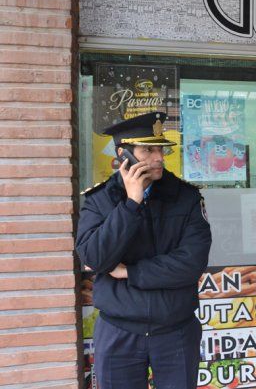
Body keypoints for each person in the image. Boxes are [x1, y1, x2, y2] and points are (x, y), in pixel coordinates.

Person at [76, 112, 212, 389]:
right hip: (118, 332)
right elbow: (95, 258)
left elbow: (191, 263)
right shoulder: (100, 200)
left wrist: (129, 271)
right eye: (148, 150)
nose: (159, 157)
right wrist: (131, 204)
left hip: (176, 330)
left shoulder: (185, 197)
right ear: (123, 153)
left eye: (161, 149)